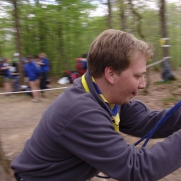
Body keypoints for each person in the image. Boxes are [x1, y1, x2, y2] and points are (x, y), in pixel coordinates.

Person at [10, 29, 181, 181]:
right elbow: (136, 169)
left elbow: (146, 122)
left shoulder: (102, 93)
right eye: (137, 76)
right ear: (111, 74)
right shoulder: (80, 111)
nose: (142, 84)